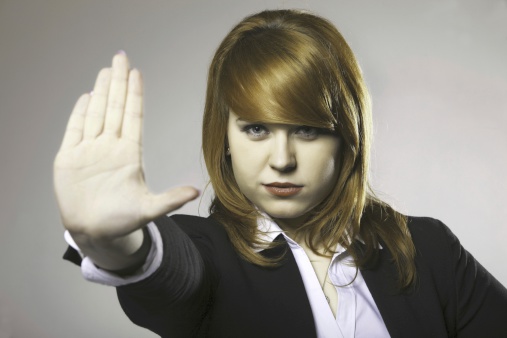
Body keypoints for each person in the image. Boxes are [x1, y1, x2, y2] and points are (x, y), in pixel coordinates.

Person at [54, 9, 507, 338]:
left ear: (347, 135)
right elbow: (167, 270)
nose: (282, 159)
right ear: (224, 135)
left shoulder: (429, 250)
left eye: (308, 130)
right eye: (256, 129)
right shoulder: (205, 253)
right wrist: (116, 244)